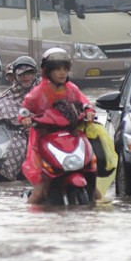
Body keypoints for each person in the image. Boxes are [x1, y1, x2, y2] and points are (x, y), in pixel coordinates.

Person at [19, 48, 95, 204]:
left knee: (97, 190)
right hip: (45, 139)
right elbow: (24, 110)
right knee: (38, 194)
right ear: (48, 71)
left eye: (65, 69)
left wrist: (88, 111)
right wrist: (24, 118)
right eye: (57, 69)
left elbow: (85, 102)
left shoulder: (72, 89)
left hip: (71, 136)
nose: (62, 73)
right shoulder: (37, 92)